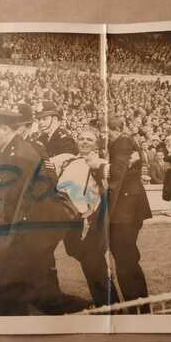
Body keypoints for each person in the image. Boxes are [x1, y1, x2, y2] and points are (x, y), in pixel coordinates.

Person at [0, 107, 85, 316]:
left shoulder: (22, 153)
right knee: (39, 291)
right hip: (33, 224)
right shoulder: (12, 150)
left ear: (5, 129)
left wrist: (1, 212)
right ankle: (86, 309)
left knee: (3, 276)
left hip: (39, 226)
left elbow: (20, 194)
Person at [53, 127, 121, 307]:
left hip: (88, 218)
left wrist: (89, 215)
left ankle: (110, 304)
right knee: (77, 252)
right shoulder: (69, 161)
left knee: (92, 261)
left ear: (97, 144)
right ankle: (106, 300)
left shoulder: (99, 163)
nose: (84, 142)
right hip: (67, 217)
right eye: (81, 138)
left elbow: (105, 190)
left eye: (89, 140)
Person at [103, 116, 152, 313]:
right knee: (125, 259)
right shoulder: (121, 142)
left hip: (126, 210)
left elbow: (117, 175)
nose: (106, 136)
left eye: (110, 131)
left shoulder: (122, 142)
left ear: (120, 129)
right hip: (125, 209)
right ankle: (137, 307)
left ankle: (138, 308)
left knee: (126, 260)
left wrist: (100, 166)